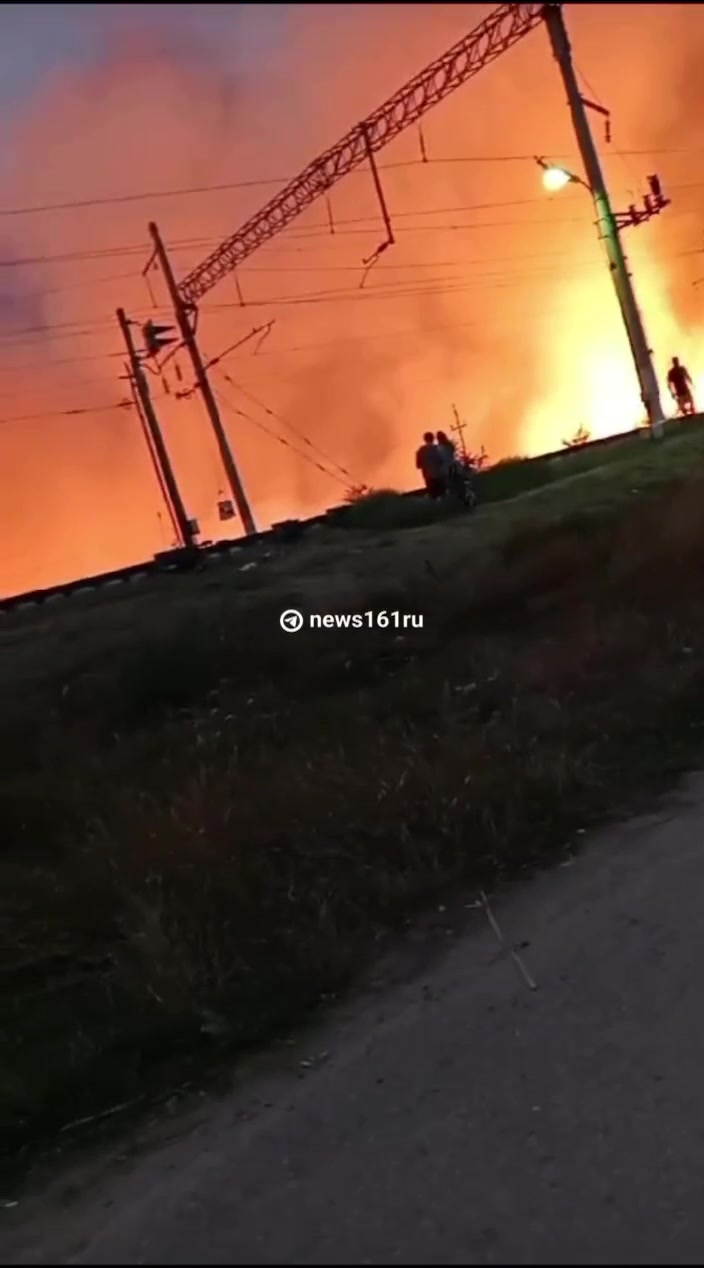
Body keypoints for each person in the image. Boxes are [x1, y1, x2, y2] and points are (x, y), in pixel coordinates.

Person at [415, 431, 446, 499]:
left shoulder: (420, 451)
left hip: (428, 477)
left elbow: (418, 465)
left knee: (433, 496)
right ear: (433, 438)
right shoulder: (438, 448)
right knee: (442, 495)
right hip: (440, 475)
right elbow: (443, 461)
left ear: (424, 439)